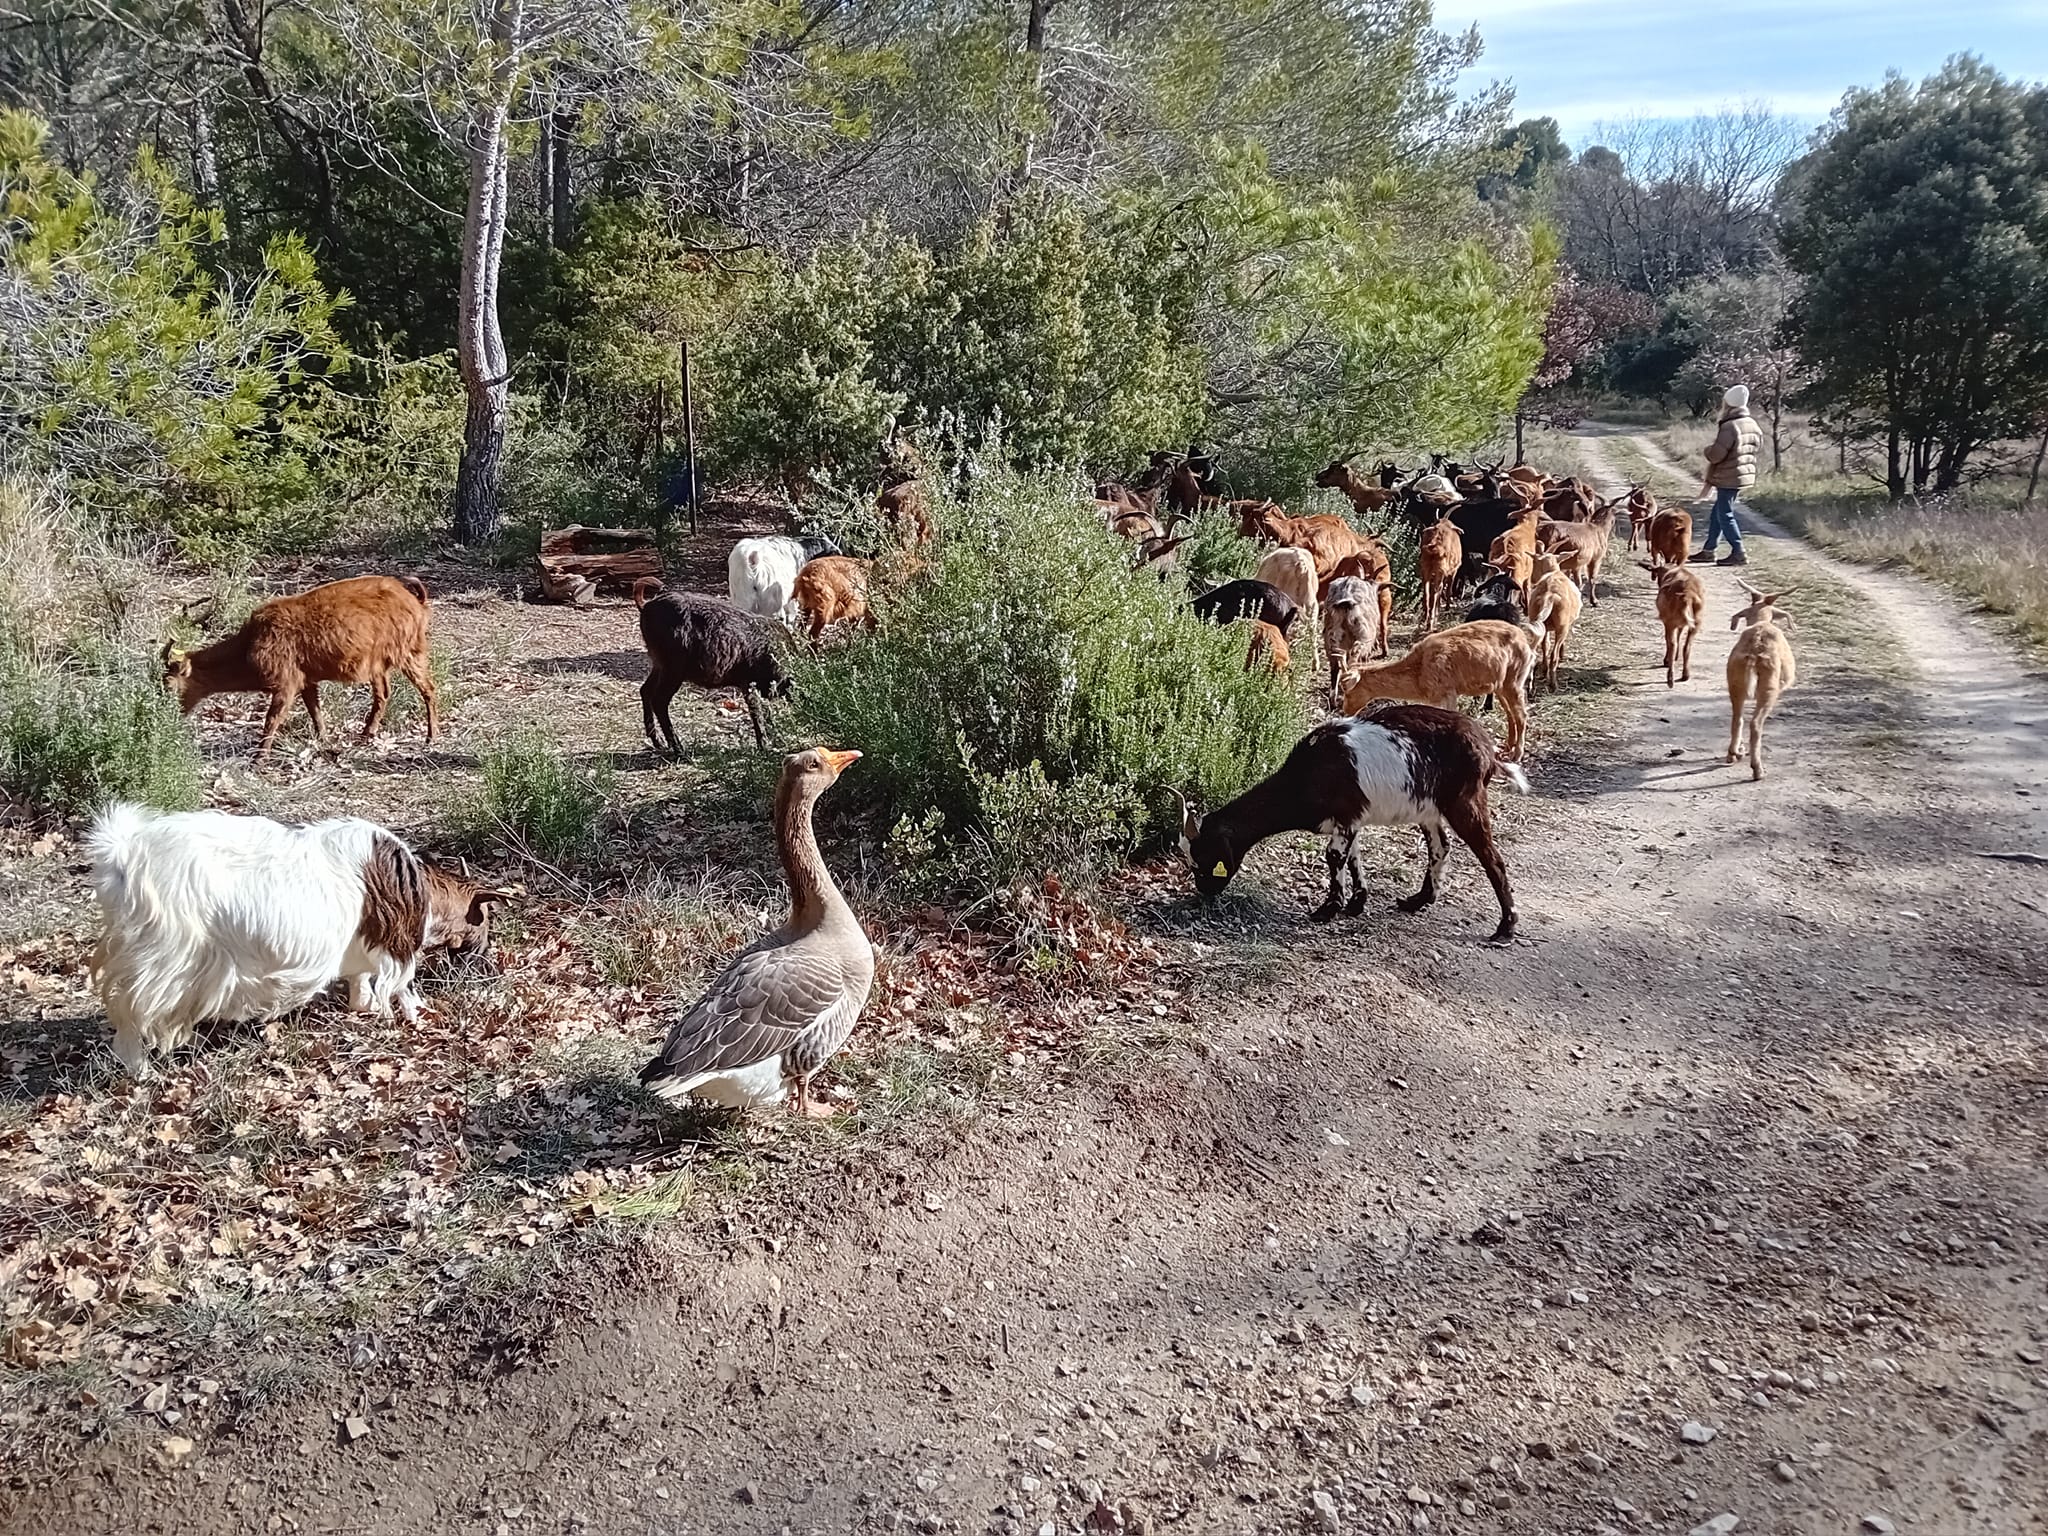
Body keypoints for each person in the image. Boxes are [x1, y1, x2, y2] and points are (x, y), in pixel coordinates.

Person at [1691, 384, 1763, 567]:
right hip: (1742, 474)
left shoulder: (1730, 426)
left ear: (1728, 404)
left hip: (1729, 475)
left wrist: (1707, 450)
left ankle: (1738, 552)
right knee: (1719, 511)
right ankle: (1709, 550)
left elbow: (1717, 454)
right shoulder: (1752, 423)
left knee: (1725, 513)